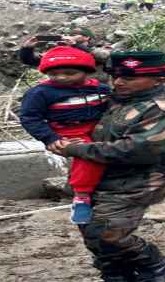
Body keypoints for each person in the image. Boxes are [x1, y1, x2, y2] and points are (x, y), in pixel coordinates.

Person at [53, 51, 165, 282]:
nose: (120, 82)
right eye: (117, 76)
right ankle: (116, 280)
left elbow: (134, 150)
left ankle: (153, 264)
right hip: (101, 179)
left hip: (138, 183)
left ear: (158, 79)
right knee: (91, 231)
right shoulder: (117, 101)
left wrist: (75, 149)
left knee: (107, 232)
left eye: (131, 77)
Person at [19, 46, 110, 224]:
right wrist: (50, 138)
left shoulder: (101, 89)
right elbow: (30, 117)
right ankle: (82, 197)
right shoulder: (40, 93)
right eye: (54, 73)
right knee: (87, 154)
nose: (61, 77)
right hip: (68, 131)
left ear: (86, 72)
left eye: (69, 73)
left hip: (99, 128)